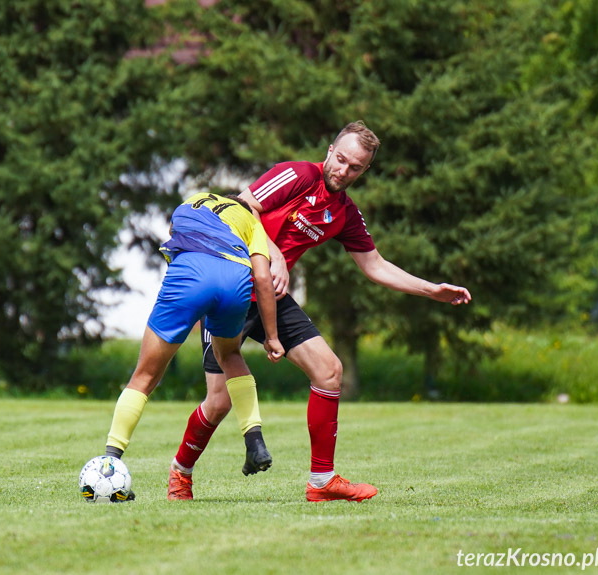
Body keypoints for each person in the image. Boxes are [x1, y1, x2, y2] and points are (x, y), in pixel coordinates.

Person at [166, 121, 472, 502]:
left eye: (355, 167)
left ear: (365, 170)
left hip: (271, 298)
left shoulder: (345, 213)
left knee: (330, 371)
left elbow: (374, 265)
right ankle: (181, 473)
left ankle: (321, 481)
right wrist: (273, 254)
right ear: (329, 151)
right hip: (232, 285)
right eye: (340, 159)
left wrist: (432, 290)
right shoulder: (298, 175)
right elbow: (241, 207)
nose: (343, 171)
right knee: (220, 402)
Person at [101, 192, 284, 495]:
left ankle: (110, 462)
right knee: (230, 354)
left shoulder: (192, 200)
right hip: (235, 279)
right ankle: (255, 441)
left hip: (191, 274)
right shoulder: (251, 221)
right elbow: (263, 279)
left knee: (145, 375)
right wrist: (272, 337)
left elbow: (177, 237)